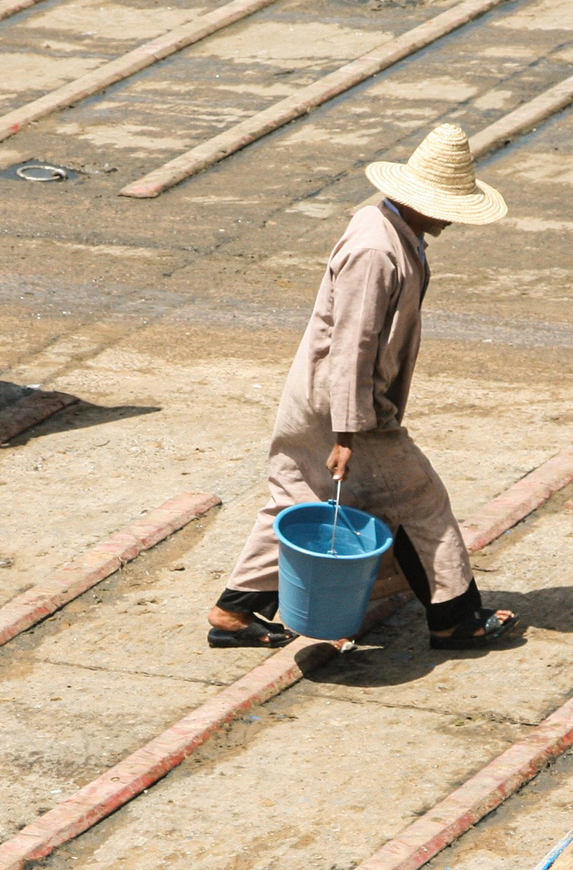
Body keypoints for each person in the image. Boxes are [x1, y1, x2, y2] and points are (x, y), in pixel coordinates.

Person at [208, 124, 521, 651]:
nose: (449, 218)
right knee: (420, 500)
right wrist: (348, 433)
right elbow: (353, 345)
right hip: (346, 406)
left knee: (295, 497)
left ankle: (235, 612)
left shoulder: (387, 228)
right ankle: (454, 617)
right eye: (447, 207)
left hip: (317, 396)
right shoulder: (378, 251)